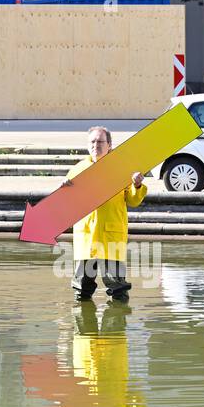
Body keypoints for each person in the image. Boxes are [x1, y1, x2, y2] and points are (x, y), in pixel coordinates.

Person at [67, 126, 145, 303]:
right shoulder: (77, 170)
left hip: (111, 235)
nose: (96, 145)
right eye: (93, 142)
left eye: (100, 142)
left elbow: (133, 201)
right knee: (82, 288)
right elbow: (67, 205)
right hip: (86, 236)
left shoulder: (122, 169)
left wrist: (137, 185)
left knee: (117, 286)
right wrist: (64, 191)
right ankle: (84, 328)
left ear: (109, 145)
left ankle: (116, 327)